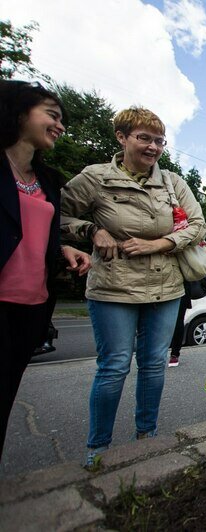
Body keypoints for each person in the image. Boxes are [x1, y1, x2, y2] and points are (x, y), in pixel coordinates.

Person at [61, 107, 206, 466]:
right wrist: (92, 231)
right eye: (144, 138)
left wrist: (158, 245)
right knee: (113, 366)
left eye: (159, 140)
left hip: (166, 287)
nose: (153, 147)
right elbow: (58, 214)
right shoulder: (95, 178)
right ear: (121, 138)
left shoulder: (173, 182)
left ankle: (147, 438)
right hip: (113, 287)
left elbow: (199, 226)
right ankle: (98, 449)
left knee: (155, 364)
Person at [0, 80, 91, 461]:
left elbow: (38, 230)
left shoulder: (47, 181)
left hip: (32, 305)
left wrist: (63, 247)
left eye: (62, 120)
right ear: (19, 112)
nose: (60, 126)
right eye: (52, 116)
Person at [168, 277, 206, 367]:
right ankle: (173, 355)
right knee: (177, 322)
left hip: (177, 288)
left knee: (177, 322)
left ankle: (173, 354)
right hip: (177, 288)